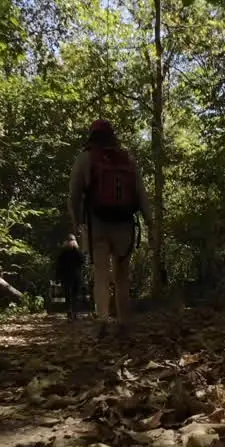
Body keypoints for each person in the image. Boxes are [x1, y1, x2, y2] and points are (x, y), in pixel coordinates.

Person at [67, 119, 153, 336]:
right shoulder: (128, 159)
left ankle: (103, 320)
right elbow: (142, 195)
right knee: (122, 275)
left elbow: (74, 196)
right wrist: (151, 224)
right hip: (124, 224)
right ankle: (124, 322)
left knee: (102, 273)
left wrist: (77, 223)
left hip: (99, 225)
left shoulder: (86, 157)